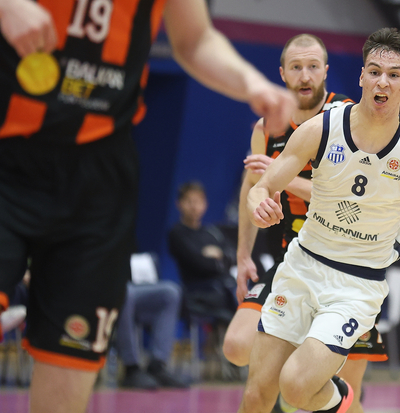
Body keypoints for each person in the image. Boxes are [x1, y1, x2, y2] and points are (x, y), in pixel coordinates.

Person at [0, 0, 295, 411]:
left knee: (70, 356)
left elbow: (194, 39)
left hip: (98, 177)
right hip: (9, 148)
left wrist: (251, 83)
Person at [238, 28, 400, 413]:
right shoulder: (322, 127)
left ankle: (344, 400)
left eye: (393, 74)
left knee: (296, 388)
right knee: (257, 394)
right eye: (374, 72)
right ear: (361, 78)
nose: (382, 81)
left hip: (356, 285)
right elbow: (263, 184)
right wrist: (260, 203)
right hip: (302, 266)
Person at [222, 33, 385, 413]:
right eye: (296, 67)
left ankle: (310, 382)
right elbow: (253, 187)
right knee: (237, 347)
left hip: (346, 267)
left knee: (343, 398)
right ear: (282, 73)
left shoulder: (350, 118)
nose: (305, 75)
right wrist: (243, 255)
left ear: (326, 71)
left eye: (313, 66)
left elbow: (351, 202)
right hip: (292, 262)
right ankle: (293, 374)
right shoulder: (267, 127)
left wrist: (280, 176)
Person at [115, 253, 187, 389]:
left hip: (132, 284)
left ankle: (157, 365)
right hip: (108, 286)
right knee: (125, 292)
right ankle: (130, 368)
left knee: (170, 292)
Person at [168, 181, 237, 319]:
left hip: (225, 287)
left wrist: (218, 256)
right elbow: (199, 264)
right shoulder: (177, 233)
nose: (194, 207)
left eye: (198, 202)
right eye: (189, 201)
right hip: (198, 292)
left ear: (205, 204)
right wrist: (219, 260)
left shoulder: (212, 232)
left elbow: (233, 257)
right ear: (179, 204)